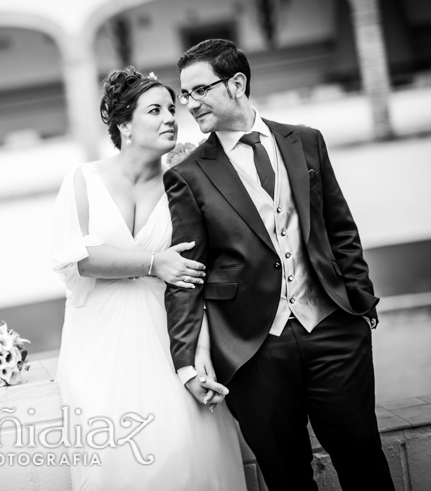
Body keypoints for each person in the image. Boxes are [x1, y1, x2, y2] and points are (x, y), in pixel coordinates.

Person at [164, 39, 394, 491]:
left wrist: (360, 303)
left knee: (363, 457)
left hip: (332, 328)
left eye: (199, 91)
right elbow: (186, 274)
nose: (189, 105)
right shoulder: (188, 173)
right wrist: (187, 360)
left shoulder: (304, 140)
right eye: (184, 95)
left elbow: (339, 226)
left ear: (236, 84)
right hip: (253, 351)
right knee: (286, 476)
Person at [52, 67, 247, 491]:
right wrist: (154, 262)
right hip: (99, 343)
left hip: (167, 335)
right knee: (116, 462)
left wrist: (199, 348)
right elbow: (81, 258)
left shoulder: (184, 180)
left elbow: (199, 272)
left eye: (172, 109)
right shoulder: (82, 180)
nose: (171, 118)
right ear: (124, 124)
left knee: (189, 451)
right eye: (155, 110)